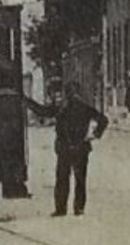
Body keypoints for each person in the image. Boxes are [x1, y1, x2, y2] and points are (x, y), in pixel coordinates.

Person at [26, 84, 109, 217]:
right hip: (81, 147)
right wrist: (94, 135)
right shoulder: (84, 108)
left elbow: (43, 111)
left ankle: (61, 209)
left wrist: (26, 101)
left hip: (65, 149)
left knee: (62, 179)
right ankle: (79, 208)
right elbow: (104, 120)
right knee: (80, 180)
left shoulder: (61, 108)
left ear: (66, 94)